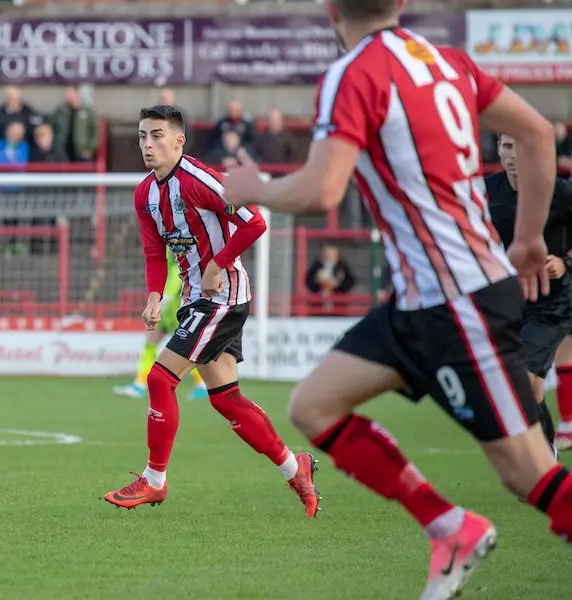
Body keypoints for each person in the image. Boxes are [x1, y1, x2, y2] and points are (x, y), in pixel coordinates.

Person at [222, 1, 572, 596]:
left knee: (528, 475)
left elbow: (321, 189)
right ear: (402, 3)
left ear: (330, 8)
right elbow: (537, 131)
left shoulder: (353, 72)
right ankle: (450, 527)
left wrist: (258, 188)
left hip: (459, 302)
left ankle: (457, 526)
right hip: (419, 299)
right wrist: (530, 238)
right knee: (313, 406)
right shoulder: (448, 62)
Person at [101, 104, 320, 520]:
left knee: (160, 378)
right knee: (226, 400)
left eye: (158, 136)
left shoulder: (201, 181)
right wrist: (153, 295)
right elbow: (153, 250)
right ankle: (296, 468)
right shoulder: (144, 193)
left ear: (179, 140)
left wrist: (219, 262)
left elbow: (255, 221)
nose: (148, 144)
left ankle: (154, 480)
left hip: (223, 298)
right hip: (193, 299)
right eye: (143, 136)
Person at [486, 134, 572, 449]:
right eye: (507, 146)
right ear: (498, 150)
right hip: (507, 304)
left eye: (520, 145)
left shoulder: (560, 192)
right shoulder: (484, 192)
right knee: (527, 387)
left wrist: (565, 262)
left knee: (524, 379)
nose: (513, 155)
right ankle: (546, 451)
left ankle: (542, 456)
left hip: (554, 304)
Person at [112, 253, 207, 400]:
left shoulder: (176, 259)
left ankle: (201, 384)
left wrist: (159, 304)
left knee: (187, 349)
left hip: (175, 312)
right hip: (171, 311)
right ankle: (139, 384)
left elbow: (171, 284)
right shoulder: (174, 255)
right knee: (154, 345)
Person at [50, 86, 99, 162]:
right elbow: (51, 128)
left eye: (70, 94)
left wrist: (89, 149)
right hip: (62, 151)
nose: (68, 96)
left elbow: (95, 132)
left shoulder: (87, 112)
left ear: (77, 93)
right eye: (66, 94)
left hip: (81, 152)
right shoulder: (59, 112)